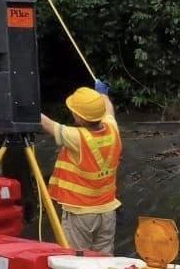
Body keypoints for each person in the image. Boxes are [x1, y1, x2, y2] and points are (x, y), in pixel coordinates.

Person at [39, 86, 123, 254]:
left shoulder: (76, 137)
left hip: (80, 215)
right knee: (104, 263)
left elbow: (46, 124)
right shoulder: (112, 129)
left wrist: (23, 103)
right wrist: (103, 94)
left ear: (79, 117)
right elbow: (109, 110)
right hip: (107, 212)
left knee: (78, 263)